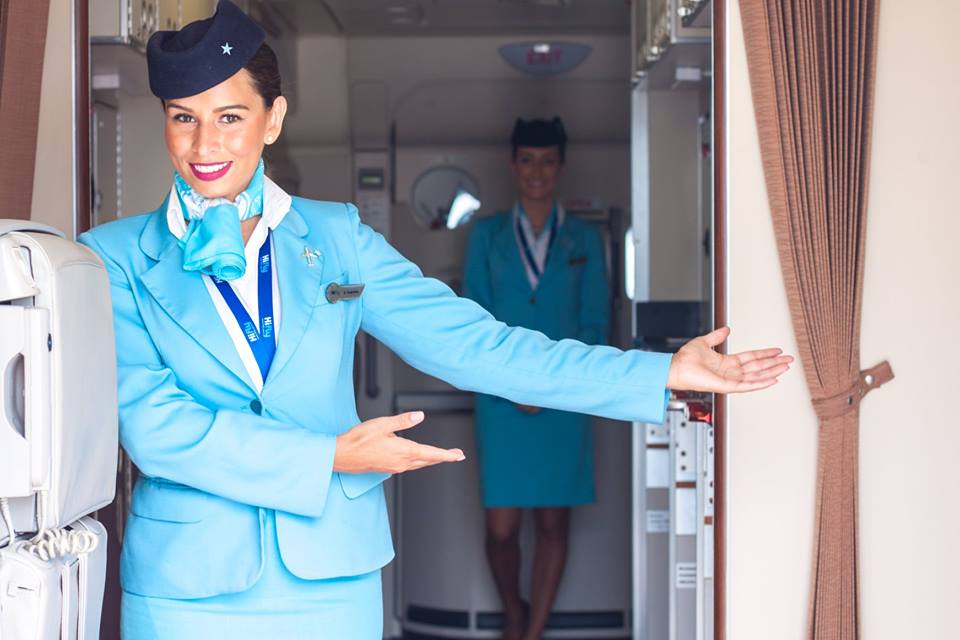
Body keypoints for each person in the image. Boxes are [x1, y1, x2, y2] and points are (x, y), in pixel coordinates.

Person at [77, 2, 792, 638]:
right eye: (184, 117)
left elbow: (479, 347)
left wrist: (659, 372)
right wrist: (328, 457)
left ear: (275, 119)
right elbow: (156, 428)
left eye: (230, 117)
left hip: (331, 577)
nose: (205, 145)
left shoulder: (339, 238)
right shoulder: (113, 258)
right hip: (185, 585)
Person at [464, 117, 611, 640]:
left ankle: (533, 632)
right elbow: (475, 320)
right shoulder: (487, 235)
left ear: (561, 167)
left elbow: (594, 325)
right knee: (501, 530)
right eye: (527, 160)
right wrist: (514, 386)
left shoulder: (585, 238)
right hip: (501, 401)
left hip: (563, 401)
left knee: (553, 524)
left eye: (547, 161)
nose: (537, 171)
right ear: (513, 165)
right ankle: (514, 612)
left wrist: (551, 388)